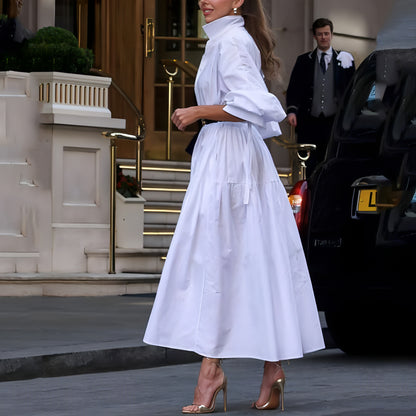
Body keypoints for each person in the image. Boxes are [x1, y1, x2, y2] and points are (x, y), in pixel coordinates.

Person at [144, 0, 325, 413]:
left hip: (232, 163)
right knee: (243, 259)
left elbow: (263, 107)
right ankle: (266, 370)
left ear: (238, 1)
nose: (204, 0)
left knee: (223, 258)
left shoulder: (232, 42)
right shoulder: (224, 40)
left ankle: (213, 372)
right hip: (225, 155)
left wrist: (198, 111)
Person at [286, 18, 355, 175]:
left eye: (326, 33)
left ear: (331, 35)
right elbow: (294, 88)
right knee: (310, 162)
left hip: (334, 120)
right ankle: (310, 191)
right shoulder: (304, 60)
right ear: (314, 36)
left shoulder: (344, 59)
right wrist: (292, 111)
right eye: (320, 34)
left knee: (331, 158)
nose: (324, 37)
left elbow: (352, 90)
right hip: (310, 119)